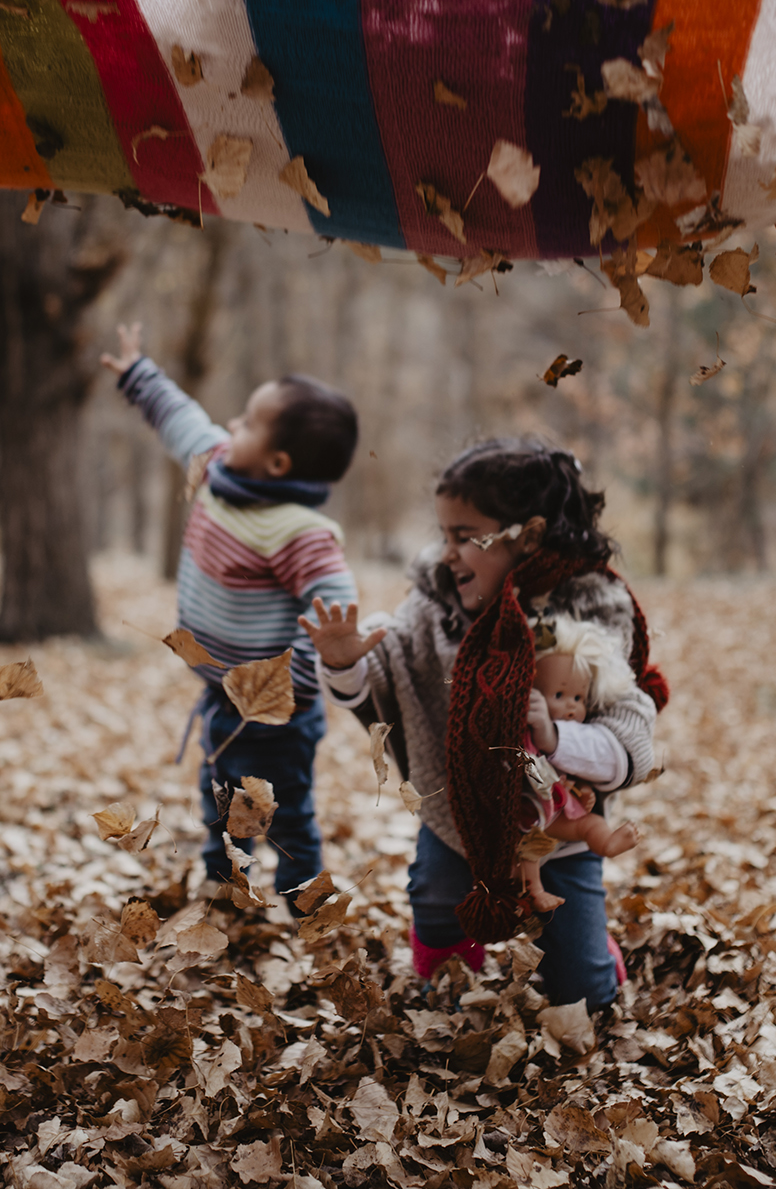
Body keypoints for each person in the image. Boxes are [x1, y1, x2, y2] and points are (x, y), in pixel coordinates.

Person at [302, 438, 662, 1012]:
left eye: (465, 536)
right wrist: (343, 661)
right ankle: (449, 974)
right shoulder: (436, 607)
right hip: (459, 817)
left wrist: (557, 738)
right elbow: (382, 682)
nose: (447, 553)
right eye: (443, 534)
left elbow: (628, 735)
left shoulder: (589, 616)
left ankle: (596, 958)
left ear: (529, 536)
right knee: (438, 900)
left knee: (585, 998)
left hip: (556, 834)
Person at [99, 324, 360, 900]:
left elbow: (335, 603)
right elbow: (181, 420)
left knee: (285, 815)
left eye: (247, 422)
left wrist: (336, 651)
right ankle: (224, 889)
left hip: (277, 715)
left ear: (277, 461)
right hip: (223, 696)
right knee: (218, 799)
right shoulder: (215, 467)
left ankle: (306, 907)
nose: (230, 426)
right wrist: (141, 375)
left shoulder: (300, 533)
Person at [517, 619, 642, 913]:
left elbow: (571, 774)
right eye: (559, 696)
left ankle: (608, 843)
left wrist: (583, 792)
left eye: (578, 698)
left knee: (591, 822)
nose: (572, 706)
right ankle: (533, 889)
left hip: (558, 811)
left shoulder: (572, 737)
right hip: (529, 811)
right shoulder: (526, 736)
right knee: (530, 838)